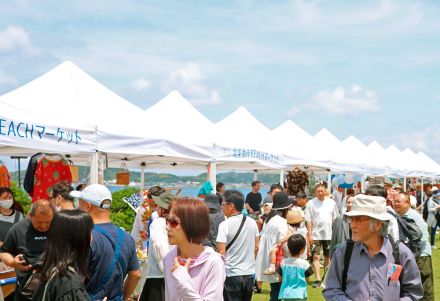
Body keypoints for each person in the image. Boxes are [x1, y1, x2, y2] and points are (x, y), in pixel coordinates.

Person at [323, 194, 423, 300]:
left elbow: (413, 293)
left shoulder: (400, 253)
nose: (352, 225)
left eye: (358, 220)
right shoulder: (343, 252)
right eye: (351, 219)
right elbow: (331, 289)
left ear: (378, 225)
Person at [72, 184, 141, 301]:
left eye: (80, 203)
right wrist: (124, 297)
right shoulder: (126, 237)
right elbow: (136, 274)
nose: (77, 208)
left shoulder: (85, 236)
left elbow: (75, 279)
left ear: (88, 206)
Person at [163, 198, 225, 300]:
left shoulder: (213, 262)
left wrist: (183, 281)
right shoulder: (169, 258)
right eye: (167, 220)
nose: (167, 227)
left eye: (173, 222)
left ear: (191, 225)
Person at [32, 210, 93, 301]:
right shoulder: (70, 283)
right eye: (90, 231)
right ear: (80, 237)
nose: (92, 236)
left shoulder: (50, 269)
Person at [0, 200, 55, 301]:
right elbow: (3, 252)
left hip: (54, 288)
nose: (43, 226)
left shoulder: (59, 227)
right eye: (39, 222)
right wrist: (12, 262)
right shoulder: (18, 229)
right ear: (30, 216)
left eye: (48, 222)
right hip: (27, 291)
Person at [216, 190, 259, 301]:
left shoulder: (225, 225)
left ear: (231, 206)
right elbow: (256, 247)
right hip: (249, 274)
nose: (222, 207)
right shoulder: (252, 222)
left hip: (232, 274)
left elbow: (221, 252)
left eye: (223, 204)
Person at [393, 192, 434, 301]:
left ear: (408, 203)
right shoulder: (402, 216)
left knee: (424, 287)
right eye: (394, 201)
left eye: (398, 201)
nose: (395, 204)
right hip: (414, 256)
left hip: (421, 257)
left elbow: (423, 238)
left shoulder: (412, 216)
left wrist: (414, 256)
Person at [255, 192, 291, 301]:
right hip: (279, 261)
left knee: (275, 291)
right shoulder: (282, 222)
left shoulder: (270, 219)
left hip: (270, 261)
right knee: (277, 294)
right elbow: (284, 245)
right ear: (286, 208)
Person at [139, 190, 173, 301]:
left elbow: (160, 248)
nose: (156, 207)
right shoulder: (175, 223)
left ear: (164, 209)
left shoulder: (158, 223)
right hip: (173, 277)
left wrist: (165, 269)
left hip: (157, 278)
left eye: (158, 205)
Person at [305, 183, 339, 288]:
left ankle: (326, 277)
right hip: (315, 235)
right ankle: (318, 279)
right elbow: (308, 220)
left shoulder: (332, 203)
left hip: (329, 234)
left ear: (325, 191)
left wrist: (336, 233)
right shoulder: (311, 203)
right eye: (318, 191)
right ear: (315, 192)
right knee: (315, 256)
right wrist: (309, 235)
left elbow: (335, 219)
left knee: (327, 257)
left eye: (322, 191)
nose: (320, 193)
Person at [263, 208, 306, 275]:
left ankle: (272, 267)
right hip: (299, 249)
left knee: (273, 251)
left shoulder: (288, 228)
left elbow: (289, 235)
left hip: (290, 248)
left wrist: (280, 241)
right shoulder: (302, 230)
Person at [278, 234, 314, 301]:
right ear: (303, 249)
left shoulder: (283, 263)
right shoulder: (305, 264)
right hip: (300, 294)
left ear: (288, 248)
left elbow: (280, 279)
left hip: (286, 294)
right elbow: (307, 279)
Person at [329, 194, 354, 258]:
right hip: (342, 253)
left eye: (353, 202)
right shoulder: (339, 219)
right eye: (348, 202)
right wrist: (331, 256)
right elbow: (333, 239)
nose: (350, 205)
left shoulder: (361, 220)